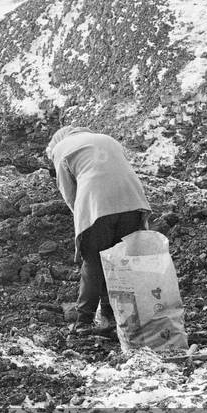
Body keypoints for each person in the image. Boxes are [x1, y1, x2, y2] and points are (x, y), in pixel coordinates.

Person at [47, 125, 151, 334]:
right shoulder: (107, 138)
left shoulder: (61, 148)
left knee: (93, 261)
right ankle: (115, 317)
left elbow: (69, 194)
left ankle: (83, 322)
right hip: (133, 202)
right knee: (118, 261)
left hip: (98, 205)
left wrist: (83, 218)